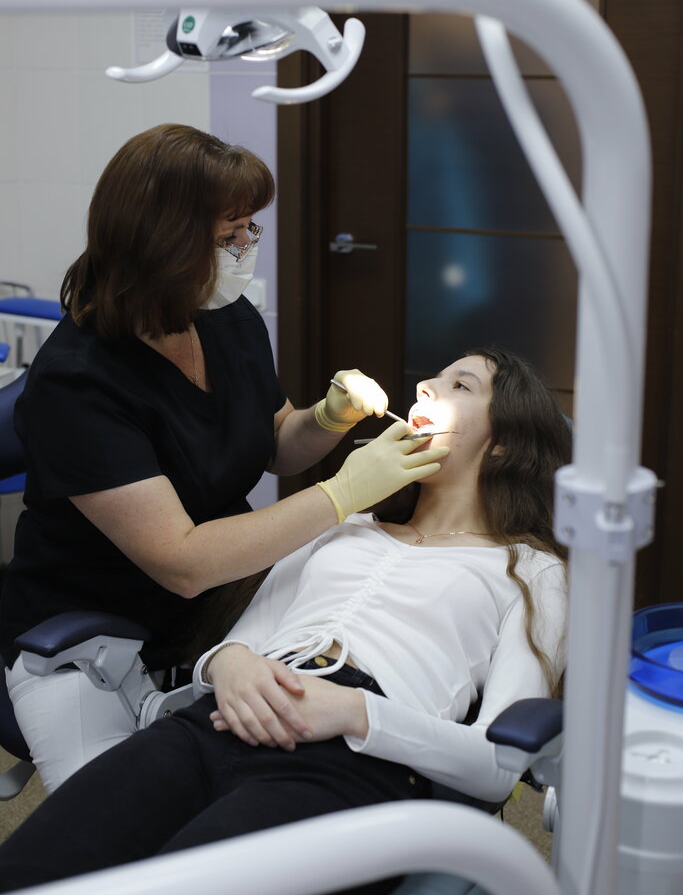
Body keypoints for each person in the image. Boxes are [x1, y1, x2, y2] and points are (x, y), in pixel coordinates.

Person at [0, 348, 571, 895]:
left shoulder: (531, 571)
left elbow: (497, 764)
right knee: (32, 874)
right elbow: (236, 647)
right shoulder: (342, 526)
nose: (426, 388)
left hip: (349, 762)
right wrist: (227, 664)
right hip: (216, 723)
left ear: (502, 443)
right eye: (433, 379)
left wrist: (354, 711)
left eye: (460, 385)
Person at [0, 123, 448, 793]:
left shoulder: (222, 317)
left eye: (249, 228)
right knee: (118, 818)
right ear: (162, 242)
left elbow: (274, 443)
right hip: (91, 626)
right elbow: (181, 562)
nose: (246, 247)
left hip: (225, 596)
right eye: (229, 234)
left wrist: (327, 418)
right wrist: (341, 493)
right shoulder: (78, 382)